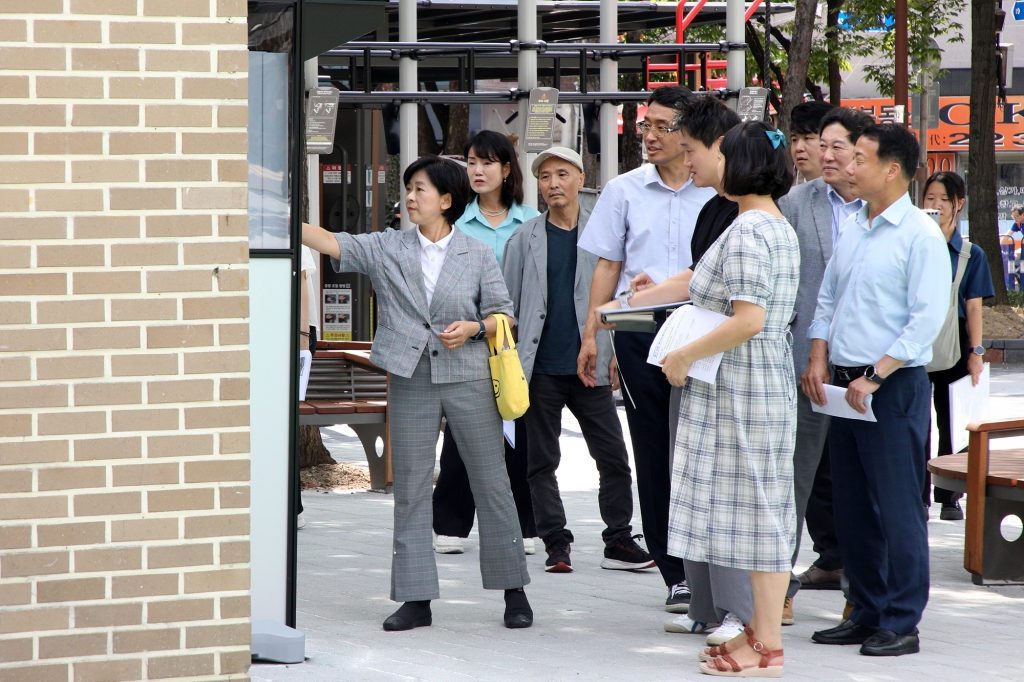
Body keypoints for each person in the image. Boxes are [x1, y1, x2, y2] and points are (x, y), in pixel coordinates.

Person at [598, 120, 801, 677]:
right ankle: (760, 639)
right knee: (760, 517)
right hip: (754, 385)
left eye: (716, 153)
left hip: (742, 388)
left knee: (758, 518)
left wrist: (684, 357)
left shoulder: (750, 230)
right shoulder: (766, 225)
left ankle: (764, 647)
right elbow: (707, 290)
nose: (702, 161)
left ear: (740, 165)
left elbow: (749, 320)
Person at [301, 155, 534, 631]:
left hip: (469, 376)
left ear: (446, 201)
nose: (409, 197)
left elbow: (503, 317)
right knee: (408, 488)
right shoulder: (387, 247)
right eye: (408, 189)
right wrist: (279, 213)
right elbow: (330, 241)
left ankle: (514, 590)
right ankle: (415, 599)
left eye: (420, 190)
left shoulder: (476, 252)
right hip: (410, 378)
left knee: (491, 482)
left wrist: (474, 327)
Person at [806, 124, 949, 656]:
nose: (847, 163)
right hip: (846, 384)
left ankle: (902, 620)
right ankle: (864, 610)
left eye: (860, 157)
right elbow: (827, 297)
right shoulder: (856, 226)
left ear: (892, 170)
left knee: (897, 505)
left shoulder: (919, 234)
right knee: (852, 506)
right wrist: (820, 354)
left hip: (889, 385)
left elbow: (926, 319)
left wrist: (878, 373)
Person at [578, 85, 717, 614]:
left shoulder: (717, 188)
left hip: (704, 329)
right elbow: (607, 266)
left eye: (662, 126)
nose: (651, 136)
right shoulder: (624, 190)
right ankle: (674, 571)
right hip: (639, 331)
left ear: (690, 132)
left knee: (701, 447)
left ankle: (713, 566)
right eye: (645, 126)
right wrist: (593, 333)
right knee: (654, 448)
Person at [634, 96, 752, 646]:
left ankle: (739, 610)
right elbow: (697, 279)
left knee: (724, 491)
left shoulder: (752, 218)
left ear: (723, 150)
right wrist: (652, 291)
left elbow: (747, 311)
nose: (687, 163)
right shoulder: (713, 210)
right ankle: (704, 604)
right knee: (691, 483)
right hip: (698, 363)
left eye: (692, 151)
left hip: (727, 369)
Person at [501, 147, 653, 574]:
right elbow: (507, 307)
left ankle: (619, 538)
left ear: (580, 178)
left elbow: (625, 301)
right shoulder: (523, 238)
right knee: (541, 462)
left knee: (614, 456)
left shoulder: (604, 236)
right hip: (539, 369)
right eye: (545, 176)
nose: (552, 184)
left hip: (591, 367)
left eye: (561, 174)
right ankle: (555, 541)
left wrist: (617, 354)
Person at [778, 107, 874, 612]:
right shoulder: (795, 202)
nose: (823, 152)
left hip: (868, 368)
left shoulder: (882, 209)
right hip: (805, 365)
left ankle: (861, 594)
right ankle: (780, 589)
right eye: (821, 143)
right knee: (794, 478)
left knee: (860, 482)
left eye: (837, 145)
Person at [431, 130, 541, 555]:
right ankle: (451, 526)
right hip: (468, 342)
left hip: (516, 346)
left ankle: (526, 527)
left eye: (488, 162)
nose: (477, 170)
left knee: (520, 433)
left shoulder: (532, 222)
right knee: (461, 436)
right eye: (471, 161)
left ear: (507, 169)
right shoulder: (454, 224)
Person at [921, 172, 994, 519]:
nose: (935, 205)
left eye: (944, 200)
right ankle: (917, 491)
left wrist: (977, 352)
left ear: (958, 204)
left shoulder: (970, 253)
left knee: (952, 420)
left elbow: (974, 306)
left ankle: (949, 496)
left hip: (956, 343)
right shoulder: (914, 242)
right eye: (930, 198)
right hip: (915, 343)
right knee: (916, 420)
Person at [789, 100, 835, 183]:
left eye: (807, 138)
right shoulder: (792, 195)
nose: (799, 148)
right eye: (794, 140)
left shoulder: (856, 192)